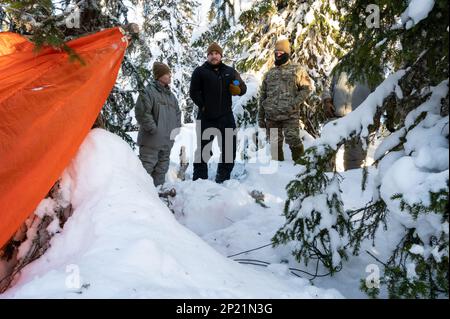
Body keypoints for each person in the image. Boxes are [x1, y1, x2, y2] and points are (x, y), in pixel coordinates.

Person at [190, 42, 247, 183]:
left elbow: (243, 87)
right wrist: (203, 106)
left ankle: (223, 177)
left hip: (226, 116)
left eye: (216, 53)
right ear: (207, 56)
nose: (214, 56)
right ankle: (199, 181)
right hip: (206, 117)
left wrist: (238, 89)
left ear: (221, 55)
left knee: (229, 150)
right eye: (211, 54)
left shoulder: (230, 71)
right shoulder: (200, 71)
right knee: (203, 150)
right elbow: (193, 92)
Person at [258, 38, 313, 162]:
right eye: (276, 53)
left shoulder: (297, 69)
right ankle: (278, 173)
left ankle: (300, 168)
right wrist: (260, 117)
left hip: (290, 115)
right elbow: (263, 96)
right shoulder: (269, 74)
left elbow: (306, 88)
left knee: (293, 140)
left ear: (287, 53)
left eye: (281, 53)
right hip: (271, 116)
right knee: (274, 144)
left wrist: (294, 103)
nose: (278, 55)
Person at [135, 62, 181, 186]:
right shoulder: (148, 92)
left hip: (167, 142)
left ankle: (158, 197)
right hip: (151, 141)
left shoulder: (171, 97)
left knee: (162, 170)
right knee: (145, 169)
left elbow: (178, 114)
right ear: (159, 75)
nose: (170, 76)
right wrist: (154, 130)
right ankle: (140, 197)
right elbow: (142, 113)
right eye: (167, 74)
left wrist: (175, 130)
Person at [322, 71, 371, 170]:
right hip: (336, 118)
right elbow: (328, 85)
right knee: (325, 155)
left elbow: (379, 94)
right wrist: (327, 101)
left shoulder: (372, 70)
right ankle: (326, 181)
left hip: (358, 122)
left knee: (355, 161)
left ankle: (352, 183)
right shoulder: (341, 67)